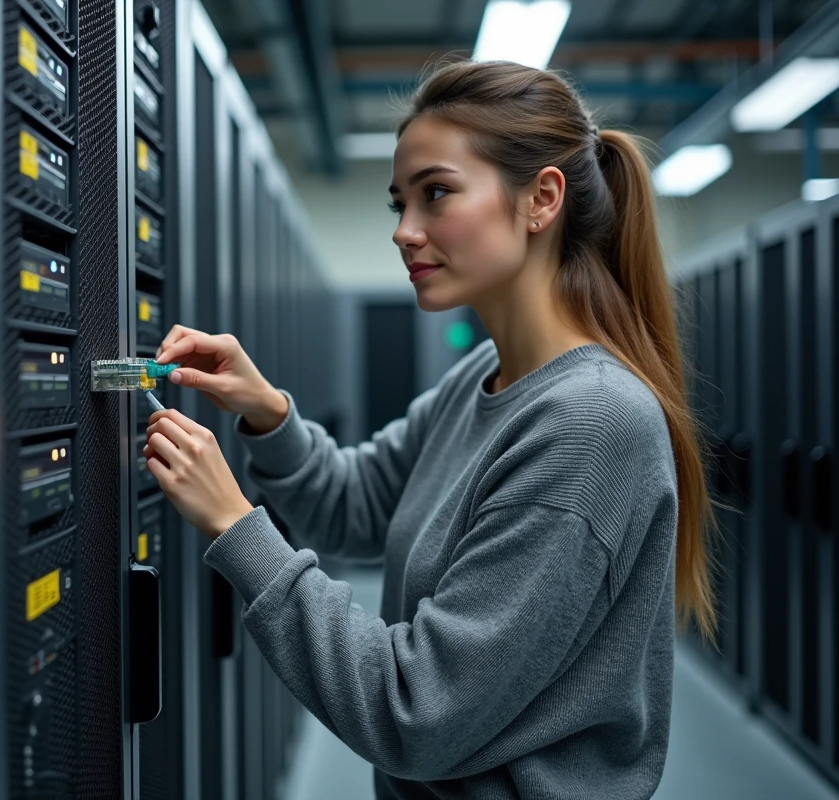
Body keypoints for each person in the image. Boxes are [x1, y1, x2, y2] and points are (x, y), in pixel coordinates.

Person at [141, 59, 716, 800]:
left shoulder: (589, 423)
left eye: (436, 194)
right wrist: (267, 414)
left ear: (541, 199)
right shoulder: (487, 375)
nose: (405, 232)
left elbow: (416, 713)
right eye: (398, 203)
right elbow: (355, 508)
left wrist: (233, 522)